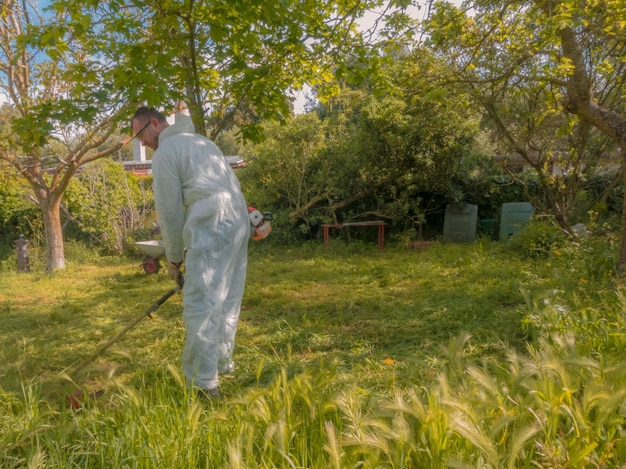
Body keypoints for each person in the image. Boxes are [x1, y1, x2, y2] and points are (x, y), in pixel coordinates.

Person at [131, 106, 250, 399]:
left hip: (213, 220)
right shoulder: (202, 143)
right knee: (226, 298)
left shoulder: (165, 153)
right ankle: (221, 363)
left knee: (201, 304)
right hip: (237, 217)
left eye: (140, 134)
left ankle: (203, 385)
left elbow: (169, 213)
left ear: (155, 123)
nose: (141, 143)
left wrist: (173, 257)